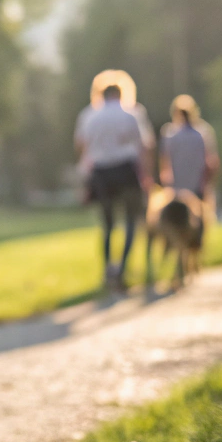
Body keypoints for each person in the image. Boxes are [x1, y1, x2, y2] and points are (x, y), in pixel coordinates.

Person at [74, 80, 148, 290]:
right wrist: (146, 176)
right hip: (125, 171)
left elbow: (81, 146)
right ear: (121, 94)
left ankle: (108, 270)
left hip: (101, 174)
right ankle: (122, 269)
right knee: (131, 222)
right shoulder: (129, 115)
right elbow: (142, 146)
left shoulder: (89, 116)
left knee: (108, 225)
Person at [159, 95, 219, 202]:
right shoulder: (203, 134)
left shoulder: (169, 135)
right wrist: (207, 183)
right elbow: (212, 163)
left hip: (176, 189)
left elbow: (165, 164)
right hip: (196, 187)